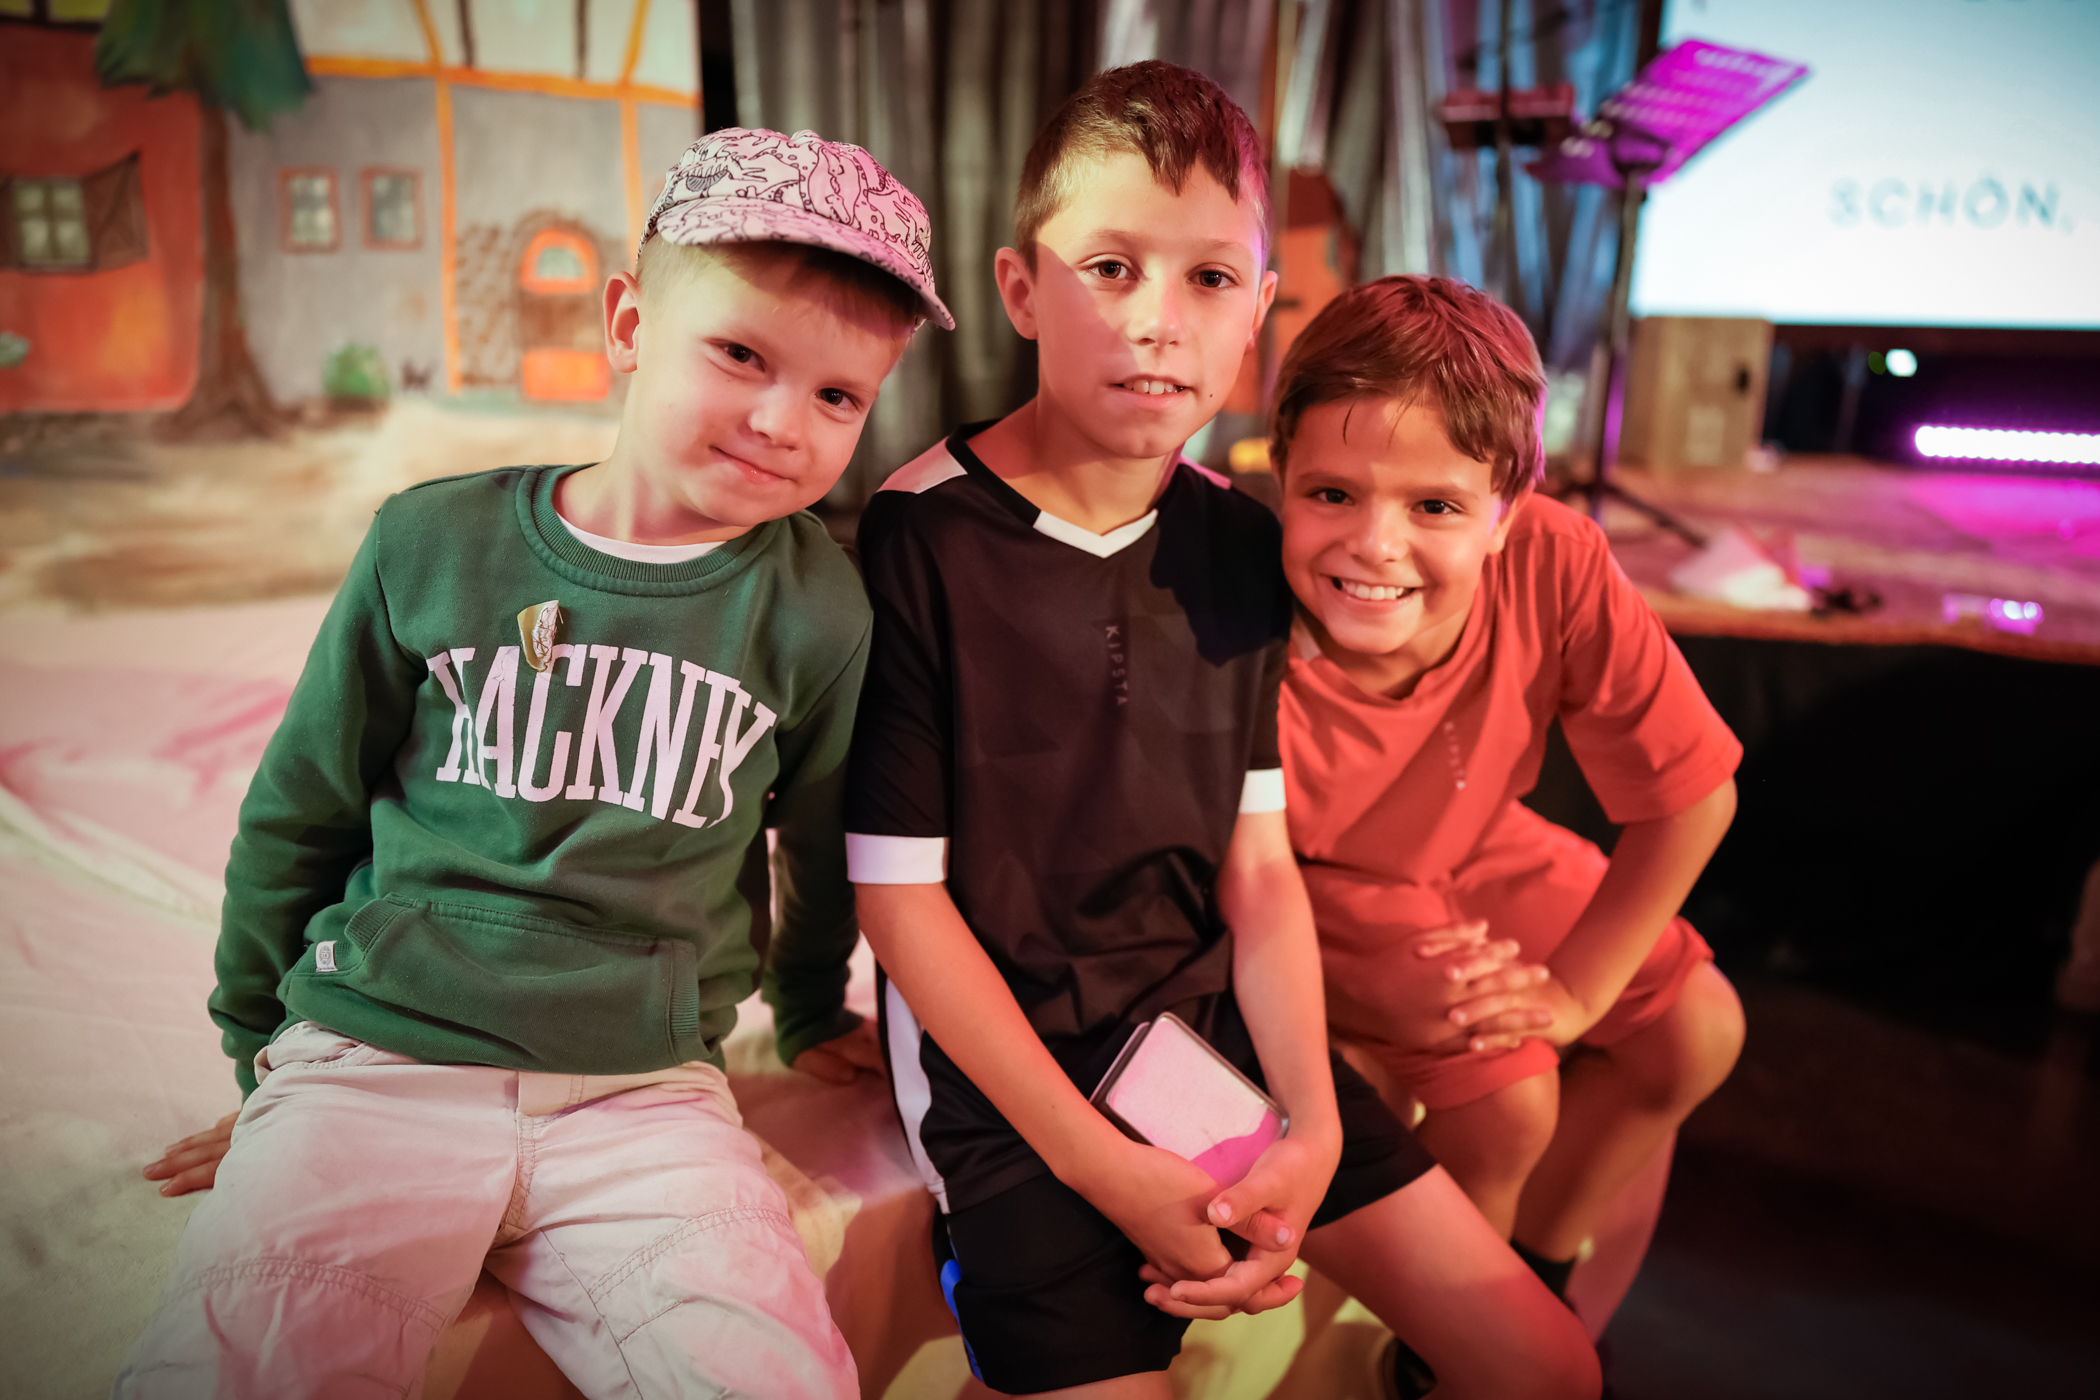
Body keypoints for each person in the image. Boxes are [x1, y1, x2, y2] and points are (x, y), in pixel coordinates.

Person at [118, 127, 946, 1400]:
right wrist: (263, 1054)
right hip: (380, 1058)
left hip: (643, 1097)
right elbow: (300, 808)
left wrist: (805, 1007)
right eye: (740, 354)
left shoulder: (820, 611)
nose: (784, 420)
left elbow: (820, 840)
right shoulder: (429, 542)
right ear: (628, 324)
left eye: (839, 397)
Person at [845, 62, 1599, 1400]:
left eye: (1207, 279)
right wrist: (1109, 1171)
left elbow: (1258, 867)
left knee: (1548, 1368)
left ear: (1258, 309)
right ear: (1020, 289)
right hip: (1018, 1099)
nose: (1157, 321)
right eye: (1110, 268)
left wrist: (1310, 1126)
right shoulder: (920, 537)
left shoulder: (1241, 540)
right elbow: (903, 907)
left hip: (1207, 1044)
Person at [1269, 274, 1748, 1298]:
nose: (1375, 543)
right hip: (1304, 878)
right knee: (1507, 1098)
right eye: (1333, 494)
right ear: (1282, 474)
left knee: (1699, 1028)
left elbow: (1692, 796)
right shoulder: (1231, 596)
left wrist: (1575, 993)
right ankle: (1452, 1344)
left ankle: (1539, 1281)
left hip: (1472, 840)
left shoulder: (1556, 560)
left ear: (1504, 515)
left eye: (1435, 505)